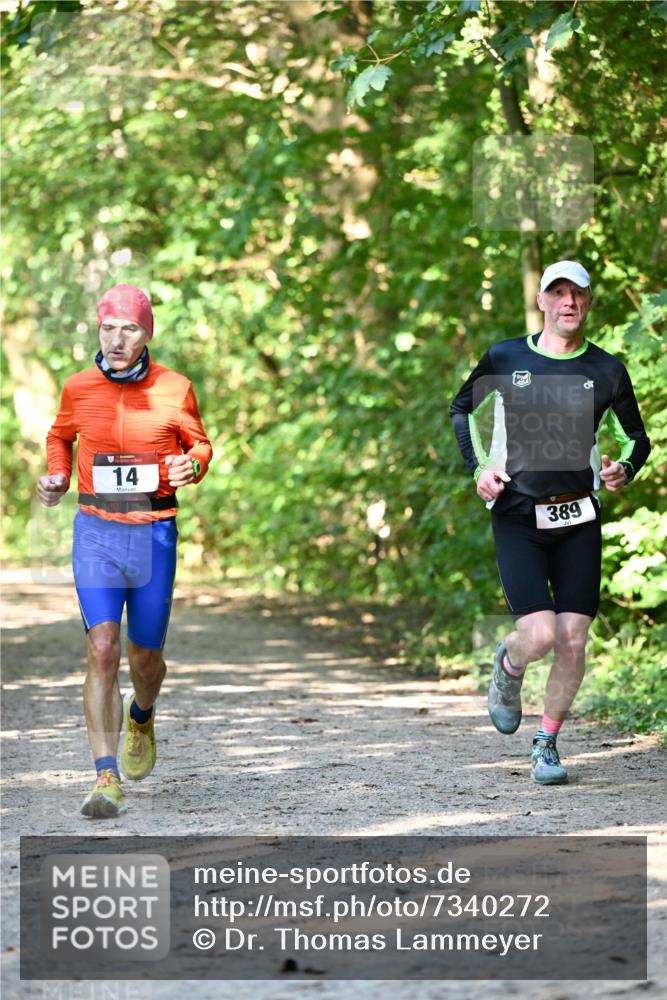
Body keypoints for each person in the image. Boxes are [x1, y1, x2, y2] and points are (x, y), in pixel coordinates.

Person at [450, 260, 650, 785]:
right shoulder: (506, 355)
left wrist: (623, 468)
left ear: (588, 302)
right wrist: (479, 471)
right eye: (557, 293)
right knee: (537, 636)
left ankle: (547, 743)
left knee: (573, 637)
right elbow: (461, 408)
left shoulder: (607, 370)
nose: (568, 302)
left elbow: (636, 438)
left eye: (577, 294)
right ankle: (509, 667)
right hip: (517, 513)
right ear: (541, 301)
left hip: (578, 513)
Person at [37, 284, 212, 817]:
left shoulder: (174, 388)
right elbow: (58, 436)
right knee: (102, 648)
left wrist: (193, 466)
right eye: (109, 327)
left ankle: (143, 713)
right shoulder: (78, 388)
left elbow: (199, 444)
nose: (117, 339)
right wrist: (58, 477)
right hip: (96, 532)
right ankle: (105, 775)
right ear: (98, 329)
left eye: (130, 329)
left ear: (146, 334)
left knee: (147, 660)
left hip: (154, 533)